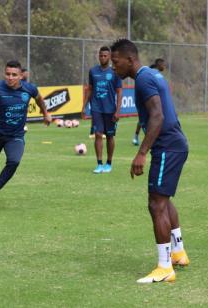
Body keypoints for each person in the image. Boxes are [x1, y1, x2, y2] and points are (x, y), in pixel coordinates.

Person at [110, 38, 190, 284]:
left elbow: (157, 116)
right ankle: (178, 253)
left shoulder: (144, 79)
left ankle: (165, 267)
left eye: (116, 62)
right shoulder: (151, 75)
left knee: (156, 204)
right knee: (163, 200)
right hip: (173, 144)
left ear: (130, 59)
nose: (114, 67)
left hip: (166, 146)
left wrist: (142, 152)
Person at [0, 60, 51, 208]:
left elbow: (40, 99)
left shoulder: (29, 89)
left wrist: (45, 113)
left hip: (15, 136)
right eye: (7, 74)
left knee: (14, 161)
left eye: (14, 75)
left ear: (21, 76)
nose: (10, 77)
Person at [81, 46, 123, 174]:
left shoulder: (115, 72)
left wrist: (118, 110)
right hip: (96, 108)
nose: (103, 58)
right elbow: (90, 89)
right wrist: (84, 106)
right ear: (98, 56)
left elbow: (120, 92)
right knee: (98, 135)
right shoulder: (93, 71)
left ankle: (109, 163)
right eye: (101, 55)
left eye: (105, 56)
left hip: (110, 109)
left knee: (110, 136)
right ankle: (99, 164)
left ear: (109, 57)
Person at [133, 58, 166, 145]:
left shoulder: (156, 73)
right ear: (158, 64)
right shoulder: (152, 73)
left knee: (146, 118)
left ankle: (137, 137)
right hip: (149, 98)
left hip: (154, 98)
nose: (164, 66)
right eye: (163, 64)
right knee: (146, 118)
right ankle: (137, 137)